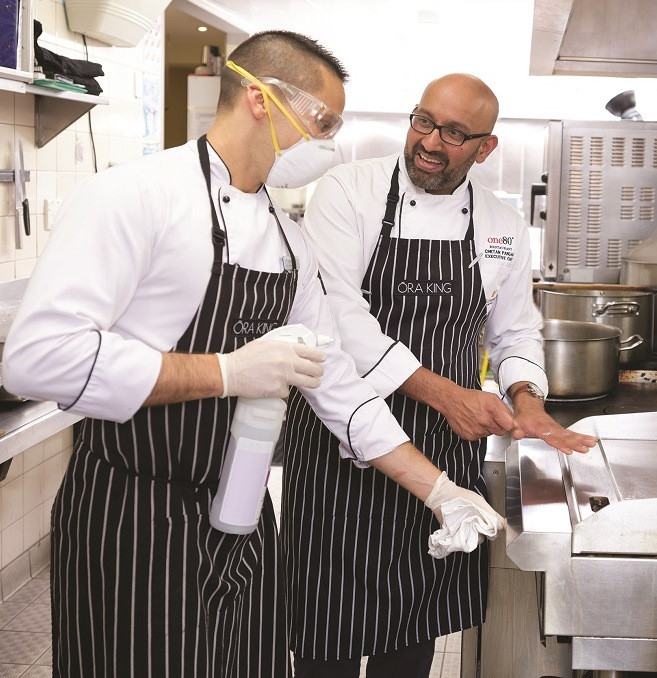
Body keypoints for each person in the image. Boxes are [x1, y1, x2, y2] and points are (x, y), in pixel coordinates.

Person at [2, 37, 506, 678]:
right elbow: (37, 361)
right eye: (324, 124)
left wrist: (440, 491)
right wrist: (225, 372)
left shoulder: (288, 244)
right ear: (262, 100)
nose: (329, 145)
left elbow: (342, 391)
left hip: (240, 509)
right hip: (133, 515)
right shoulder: (134, 198)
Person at [282, 73, 598, 678]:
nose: (429, 141)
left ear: (485, 148)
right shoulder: (348, 191)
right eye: (423, 121)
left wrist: (527, 399)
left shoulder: (501, 224)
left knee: (413, 624)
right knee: (328, 629)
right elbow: (343, 323)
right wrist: (446, 393)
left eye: (454, 133)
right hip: (337, 444)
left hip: (441, 446)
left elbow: (515, 330)